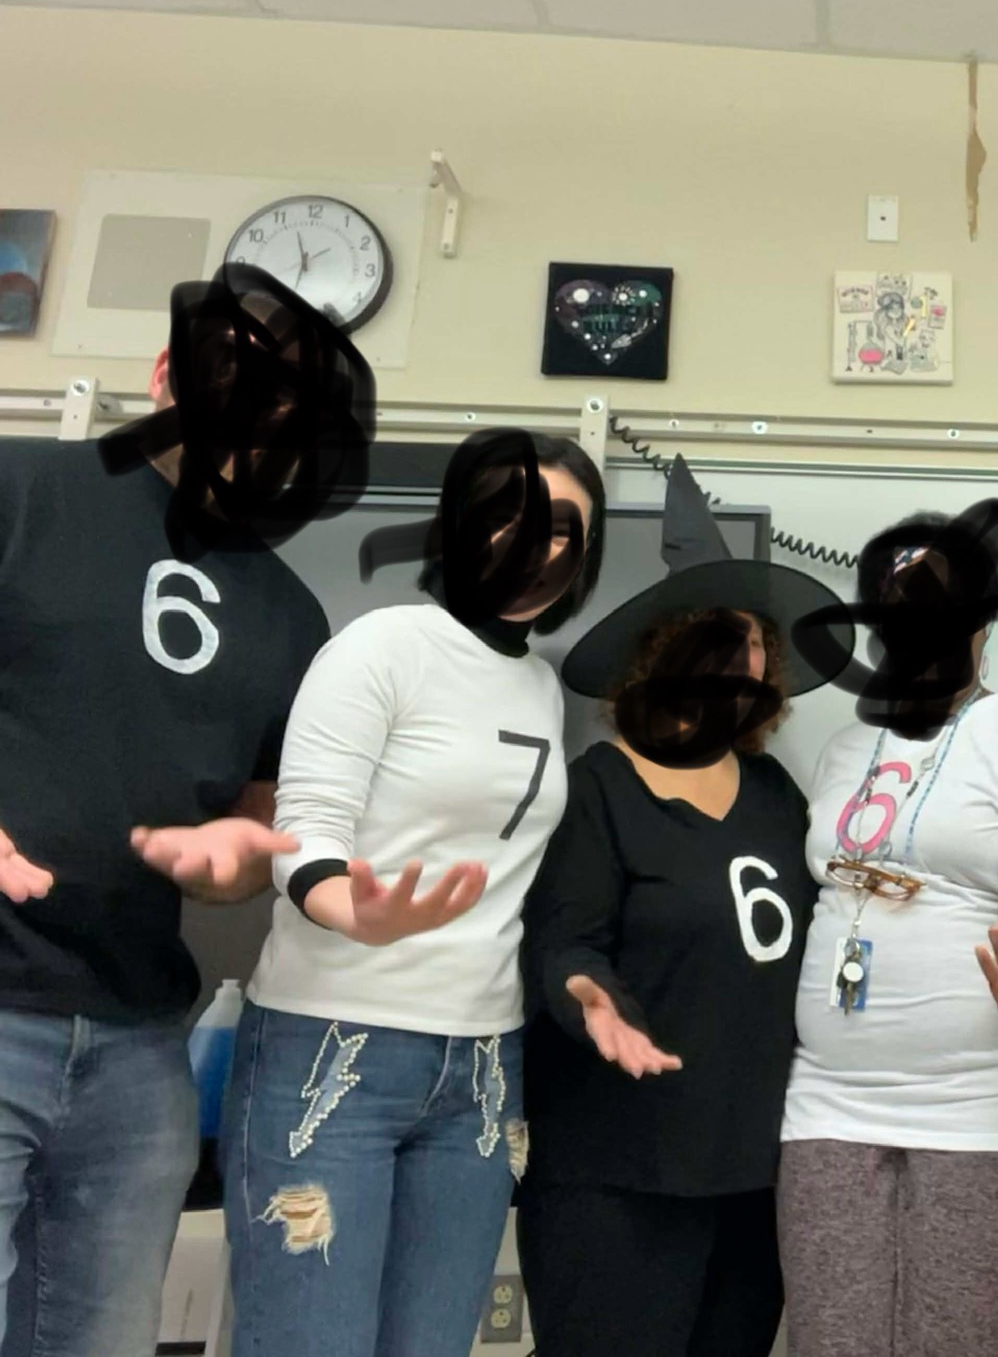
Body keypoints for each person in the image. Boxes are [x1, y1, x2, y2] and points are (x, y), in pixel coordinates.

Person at [0, 265, 368, 1357]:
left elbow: (255, 833)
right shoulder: (22, 488)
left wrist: (236, 861)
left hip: (136, 1044)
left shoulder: (292, 614)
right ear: (168, 372)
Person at [222, 428, 605, 1357]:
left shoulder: (542, 688)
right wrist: (353, 907)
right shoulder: (382, 646)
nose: (539, 545)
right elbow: (305, 828)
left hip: (482, 1066)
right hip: (333, 1045)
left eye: (566, 530)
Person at [517, 458, 850, 1357]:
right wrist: (592, 998)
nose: (740, 656)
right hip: (619, 1171)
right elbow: (565, 941)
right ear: (662, 654)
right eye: (715, 636)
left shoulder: (778, 796)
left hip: (756, 1175)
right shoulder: (600, 789)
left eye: (754, 642)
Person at [778, 500, 998, 1357]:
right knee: (831, 1343)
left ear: (982, 624)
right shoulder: (844, 750)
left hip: (985, 1112)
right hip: (828, 1104)